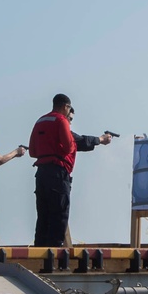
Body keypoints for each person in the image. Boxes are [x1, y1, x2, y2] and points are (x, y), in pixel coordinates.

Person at [28, 94, 112, 246]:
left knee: (43, 216)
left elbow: (32, 152)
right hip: (58, 174)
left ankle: (39, 252)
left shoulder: (40, 121)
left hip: (41, 174)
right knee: (59, 215)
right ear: (66, 107)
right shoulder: (61, 121)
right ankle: (54, 256)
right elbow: (69, 146)